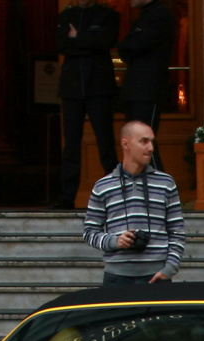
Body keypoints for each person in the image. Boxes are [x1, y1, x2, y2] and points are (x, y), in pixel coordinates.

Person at [82, 120, 185, 286]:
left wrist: (169, 269)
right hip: (116, 277)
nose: (150, 148)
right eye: (144, 141)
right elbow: (89, 233)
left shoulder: (166, 183)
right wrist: (115, 241)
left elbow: (177, 231)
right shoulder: (103, 186)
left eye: (152, 142)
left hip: (157, 276)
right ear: (125, 144)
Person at [51, 0, 120, 210]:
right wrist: (88, 44)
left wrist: (78, 38)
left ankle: (116, 197)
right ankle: (67, 196)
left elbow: (105, 42)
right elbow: (62, 44)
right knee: (71, 144)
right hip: (72, 88)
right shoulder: (65, 16)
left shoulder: (108, 15)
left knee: (105, 143)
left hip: (99, 86)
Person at [116, 0, 176, 171]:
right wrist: (127, 46)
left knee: (145, 143)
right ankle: (141, 192)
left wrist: (128, 46)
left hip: (149, 90)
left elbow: (135, 45)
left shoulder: (161, 16)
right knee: (134, 144)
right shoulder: (143, 16)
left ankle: (163, 192)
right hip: (134, 89)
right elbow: (126, 48)